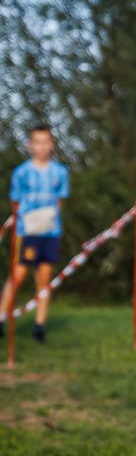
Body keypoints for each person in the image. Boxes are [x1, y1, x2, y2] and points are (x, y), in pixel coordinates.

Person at [2, 125, 69, 342]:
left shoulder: (60, 172)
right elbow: (16, 202)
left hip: (50, 232)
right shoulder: (21, 172)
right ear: (30, 145)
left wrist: (47, 220)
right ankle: (1, 317)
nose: (41, 146)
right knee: (18, 275)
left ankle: (39, 325)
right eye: (37, 141)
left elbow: (59, 201)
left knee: (44, 278)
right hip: (26, 231)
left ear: (51, 144)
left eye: (45, 141)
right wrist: (28, 221)